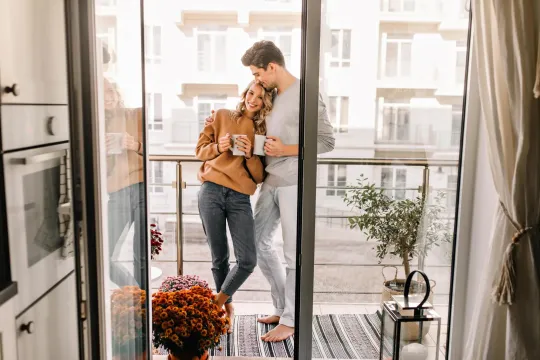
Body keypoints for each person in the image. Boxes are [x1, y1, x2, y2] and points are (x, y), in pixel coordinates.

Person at [206, 40, 335, 342]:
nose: (256, 79)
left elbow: (327, 142)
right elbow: (249, 117)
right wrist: (215, 123)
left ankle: (291, 320)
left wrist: (287, 148)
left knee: (293, 254)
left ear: (272, 67)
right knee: (256, 243)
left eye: (257, 73)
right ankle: (281, 306)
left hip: (293, 183)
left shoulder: (306, 94)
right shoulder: (272, 96)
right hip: (270, 181)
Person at [196, 80, 272, 332]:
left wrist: (250, 154)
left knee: (247, 259)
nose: (253, 99)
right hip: (211, 191)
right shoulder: (220, 115)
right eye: (251, 93)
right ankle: (227, 311)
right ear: (245, 93)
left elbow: (259, 176)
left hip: (240, 197)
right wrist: (220, 146)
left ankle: (215, 304)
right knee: (219, 259)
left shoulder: (263, 130)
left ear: (265, 102)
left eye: (260, 97)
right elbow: (200, 151)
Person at [104, 78, 147, 290]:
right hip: (116, 194)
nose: (108, 96)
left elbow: (151, 152)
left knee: (141, 258)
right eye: (102, 93)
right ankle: (137, 298)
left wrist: (135, 144)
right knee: (104, 257)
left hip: (140, 189)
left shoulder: (136, 114)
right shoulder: (95, 123)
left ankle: (144, 309)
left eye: (110, 90)